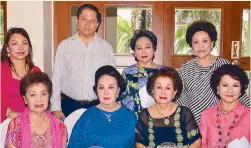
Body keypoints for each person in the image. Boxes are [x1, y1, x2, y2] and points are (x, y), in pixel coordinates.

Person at [176, 21, 250, 123]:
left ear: (212, 43)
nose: (200, 46)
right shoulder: (186, 68)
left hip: (219, 123)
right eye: (196, 42)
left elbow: (238, 92)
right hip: (191, 123)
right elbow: (180, 96)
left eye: (205, 41)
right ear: (191, 45)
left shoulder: (223, 64)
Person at [50, 4, 116, 120]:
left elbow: (112, 79)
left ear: (97, 24)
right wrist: (56, 108)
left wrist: (111, 105)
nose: (87, 24)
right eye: (84, 19)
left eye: (92, 20)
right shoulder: (64, 46)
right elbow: (56, 79)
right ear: (77, 20)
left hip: (98, 105)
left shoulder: (106, 48)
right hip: (68, 105)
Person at [68, 65, 136, 148]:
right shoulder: (88, 116)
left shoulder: (130, 117)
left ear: (118, 90)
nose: (106, 92)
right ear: (96, 91)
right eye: (101, 88)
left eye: (111, 87)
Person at [136, 67, 201, 148]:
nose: (163, 92)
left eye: (168, 88)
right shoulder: (144, 115)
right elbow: (139, 144)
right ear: (152, 91)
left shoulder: (184, 113)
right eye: (159, 87)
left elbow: (196, 143)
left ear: (174, 93)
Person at [4, 71, 68, 148]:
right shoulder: (16, 126)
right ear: (25, 99)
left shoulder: (60, 126)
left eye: (43, 94)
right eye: (33, 95)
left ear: (49, 96)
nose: (39, 99)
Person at [199, 64, 250, 148]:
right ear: (218, 88)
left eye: (235, 85)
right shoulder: (207, 115)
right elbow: (202, 145)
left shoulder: (249, 115)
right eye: (225, 85)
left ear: (241, 90)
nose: (230, 90)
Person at [120, 29, 165, 119]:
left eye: (147, 47)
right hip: (131, 121)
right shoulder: (128, 72)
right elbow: (120, 99)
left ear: (154, 49)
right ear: (134, 52)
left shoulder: (165, 72)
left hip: (158, 120)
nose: (143, 52)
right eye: (139, 48)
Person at [1, 27, 41, 122]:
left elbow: (41, 99)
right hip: (7, 123)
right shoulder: (1, 70)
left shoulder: (36, 71)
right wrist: (9, 113)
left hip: (31, 123)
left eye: (24, 43)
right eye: (15, 44)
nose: (20, 47)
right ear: (7, 49)